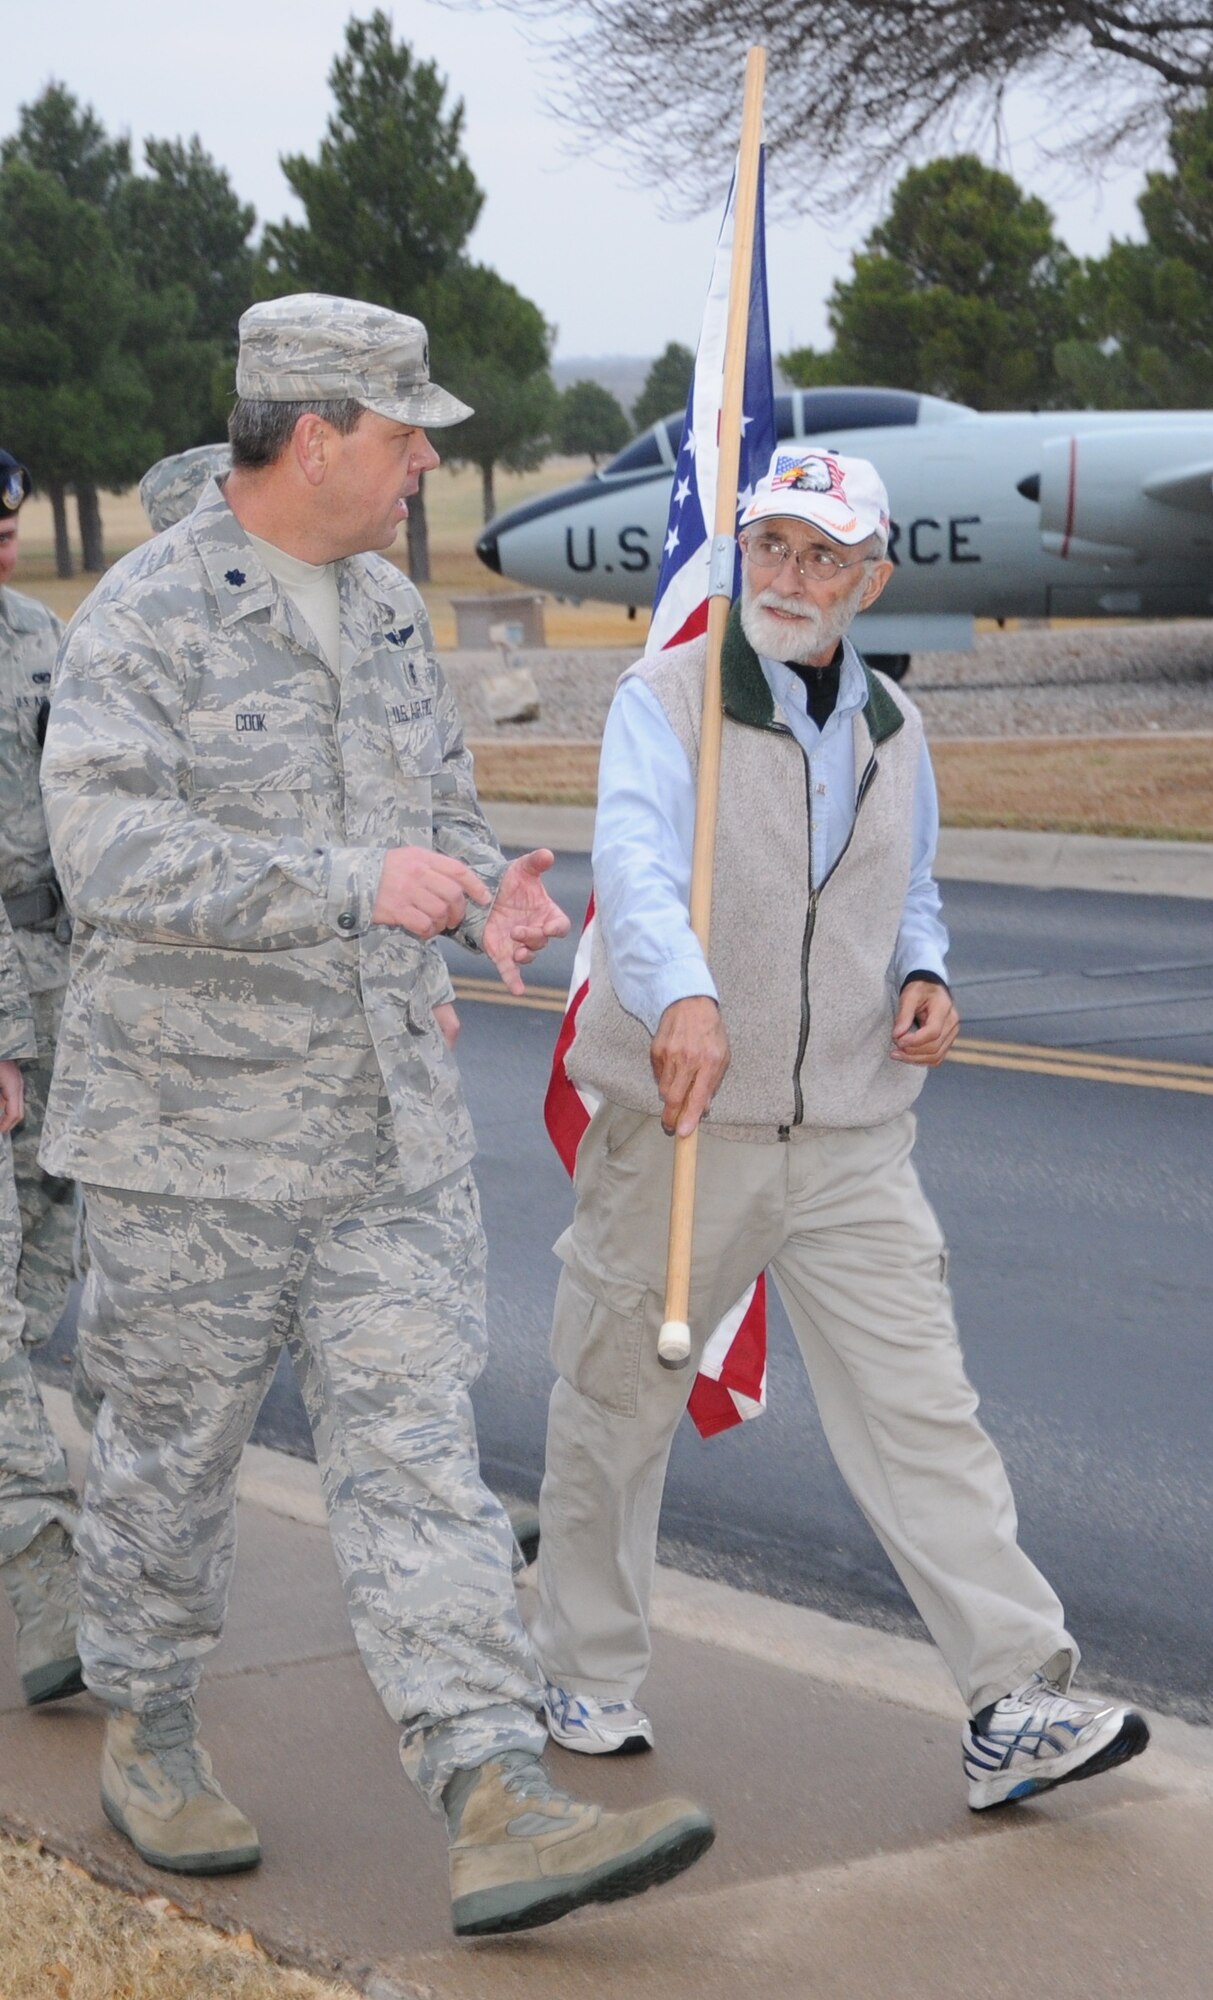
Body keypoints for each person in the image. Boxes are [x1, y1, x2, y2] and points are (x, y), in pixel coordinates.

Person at [39, 294, 713, 1936]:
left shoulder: (397, 615)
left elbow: (437, 817)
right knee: (167, 1462)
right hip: (188, 1142)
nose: (428, 460)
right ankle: (149, 1722)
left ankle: (494, 1791)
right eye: (407, 431)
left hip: (383, 1132)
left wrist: (484, 893)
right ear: (317, 431)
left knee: (417, 1449)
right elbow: (102, 858)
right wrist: (355, 883)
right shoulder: (141, 618)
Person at [532, 446, 1150, 1811]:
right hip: (687, 1123)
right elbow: (633, 870)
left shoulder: (889, 726)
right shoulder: (669, 699)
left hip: (856, 1135)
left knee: (926, 1415)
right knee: (619, 1407)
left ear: (871, 577)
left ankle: (1012, 1699)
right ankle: (579, 1666)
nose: (791, 579)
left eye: (823, 557)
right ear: (742, 553)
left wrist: (924, 976)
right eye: (771, 547)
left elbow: (908, 890)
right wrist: (682, 994)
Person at [0, 448, 84, 1704]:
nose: (5, 539)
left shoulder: (41, 638)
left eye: (7, 520)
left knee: (43, 1272)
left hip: (62, 977)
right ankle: (49, 1570)